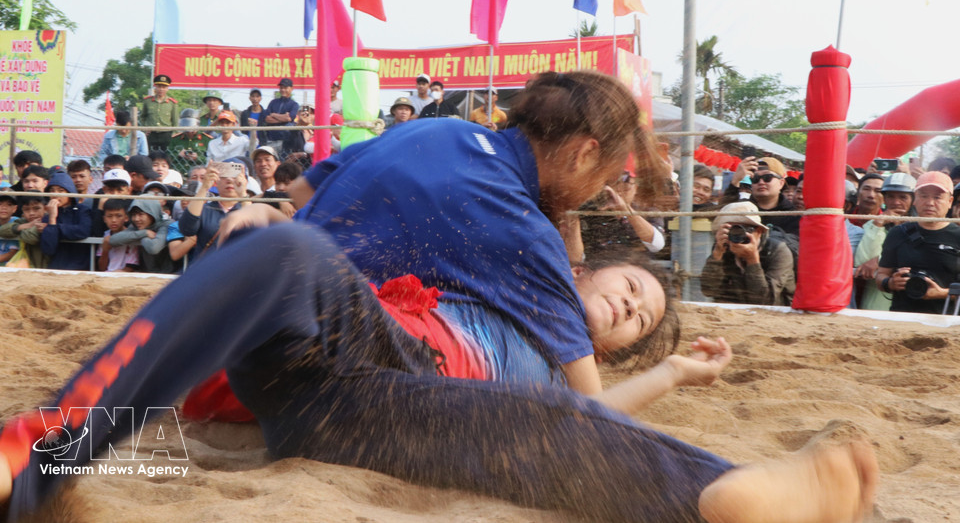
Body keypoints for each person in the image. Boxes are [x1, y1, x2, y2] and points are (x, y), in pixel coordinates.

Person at [0, 71, 877, 523]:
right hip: (364, 360)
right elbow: (591, 402)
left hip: (315, 374)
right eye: (626, 293)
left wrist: (267, 215)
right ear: (583, 155)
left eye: (635, 317)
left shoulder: (435, 136)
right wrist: (662, 365)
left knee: (521, 416)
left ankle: (723, 497)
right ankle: (716, 493)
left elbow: (298, 199)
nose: (624, 309)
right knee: (540, 417)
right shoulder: (532, 251)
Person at [876, 171, 960, 314]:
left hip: (945, 319)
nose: (930, 203)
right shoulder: (898, 233)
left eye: (937, 197)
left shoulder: (957, 236)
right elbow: (881, 275)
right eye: (924, 196)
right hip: (901, 316)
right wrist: (890, 283)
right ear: (915, 199)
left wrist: (941, 293)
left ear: (950, 202)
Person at [701, 201, 796, 306]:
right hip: (734, 310)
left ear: (759, 231)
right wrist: (717, 254)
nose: (737, 233)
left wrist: (752, 260)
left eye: (743, 228)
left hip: (775, 311)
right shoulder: (723, 247)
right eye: (731, 229)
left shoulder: (777, 251)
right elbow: (708, 290)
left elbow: (764, 301)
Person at [854, 173, 916, 311]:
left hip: (910, 302)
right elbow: (862, 262)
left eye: (903, 197)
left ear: (913, 199)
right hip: (876, 302)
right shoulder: (873, 224)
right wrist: (878, 224)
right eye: (891, 196)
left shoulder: (923, 226)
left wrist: (880, 260)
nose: (896, 202)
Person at [177, 164, 243, 261]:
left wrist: (243, 194)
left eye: (234, 176)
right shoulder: (205, 209)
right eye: (224, 176)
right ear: (216, 181)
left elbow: (257, 234)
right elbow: (187, 229)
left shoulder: (248, 209)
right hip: (207, 266)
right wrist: (204, 187)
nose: (229, 180)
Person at [724, 156, 800, 236]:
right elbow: (722, 216)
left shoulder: (793, 215)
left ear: (781, 183)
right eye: (755, 178)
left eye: (767, 177)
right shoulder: (742, 208)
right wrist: (735, 181)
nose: (761, 182)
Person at [39, 172, 92, 270]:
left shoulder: (82, 210)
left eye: (61, 190)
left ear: (70, 192)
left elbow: (83, 231)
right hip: (56, 266)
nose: (55, 194)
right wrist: (52, 218)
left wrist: (55, 227)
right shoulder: (49, 215)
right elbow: (48, 249)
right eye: (52, 190)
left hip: (81, 265)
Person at [109, 197, 174, 274]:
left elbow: (153, 248)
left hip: (168, 274)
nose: (136, 219)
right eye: (134, 215)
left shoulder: (166, 224)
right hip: (145, 273)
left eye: (141, 214)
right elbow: (113, 240)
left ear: (152, 213)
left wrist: (142, 237)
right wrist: (144, 233)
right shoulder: (136, 226)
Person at [0, 196, 49, 268]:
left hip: (46, 266)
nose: (31, 213)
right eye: (27, 209)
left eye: (36, 208)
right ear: (22, 211)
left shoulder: (50, 221)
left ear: (45, 209)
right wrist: (27, 225)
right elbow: (2, 230)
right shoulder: (23, 221)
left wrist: (18, 229)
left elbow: (30, 238)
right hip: (29, 265)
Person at [96, 198, 139, 272]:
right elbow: (101, 268)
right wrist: (105, 250)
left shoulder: (130, 236)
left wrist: (120, 272)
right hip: (107, 275)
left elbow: (131, 266)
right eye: (109, 216)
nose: (114, 220)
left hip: (123, 275)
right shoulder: (105, 235)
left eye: (118, 216)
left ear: (126, 218)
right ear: (104, 219)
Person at [140, 74, 179, 152]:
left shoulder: (172, 103)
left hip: (166, 134)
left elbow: (175, 121)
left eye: (164, 87)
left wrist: (174, 134)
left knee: (166, 155)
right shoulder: (148, 101)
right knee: (150, 155)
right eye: (159, 86)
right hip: (151, 134)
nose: (161, 89)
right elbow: (142, 117)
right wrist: (145, 129)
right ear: (155, 87)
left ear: (167, 89)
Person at [258, 78, 299, 149]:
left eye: (285, 88)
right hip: (271, 139)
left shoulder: (294, 104)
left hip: (286, 142)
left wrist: (274, 115)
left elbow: (289, 118)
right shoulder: (273, 102)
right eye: (281, 87)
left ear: (291, 89)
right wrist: (284, 118)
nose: (283, 90)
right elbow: (267, 119)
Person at [280, 105, 315, 170]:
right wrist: (300, 124)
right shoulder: (292, 130)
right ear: (298, 113)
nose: (308, 115)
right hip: (297, 169)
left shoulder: (316, 131)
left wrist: (303, 154)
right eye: (304, 111)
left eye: (311, 113)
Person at [0, 192, 19, 265]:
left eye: (9, 204)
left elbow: (12, 253)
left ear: (14, 208)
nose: (4, 207)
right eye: (0, 204)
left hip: (9, 265)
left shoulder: (16, 222)